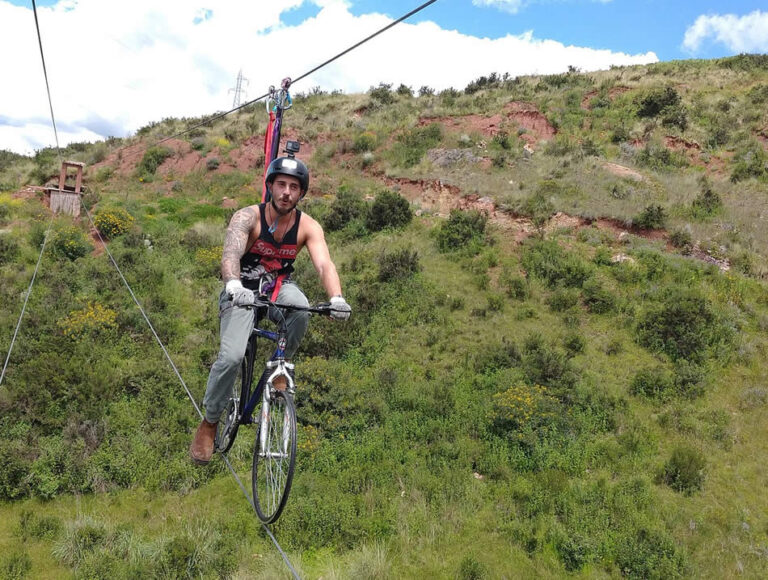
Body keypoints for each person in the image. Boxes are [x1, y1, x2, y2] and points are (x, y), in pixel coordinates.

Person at [189, 154, 351, 465]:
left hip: (277, 288)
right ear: (270, 187)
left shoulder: (308, 226)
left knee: (301, 307)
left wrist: (336, 298)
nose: (286, 192)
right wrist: (233, 284)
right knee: (232, 356)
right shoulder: (247, 217)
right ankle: (209, 422)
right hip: (242, 291)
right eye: (281, 185)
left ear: (300, 193)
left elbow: (324, 263)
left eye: (293, 187)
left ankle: (281, 365)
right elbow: (230, 253)